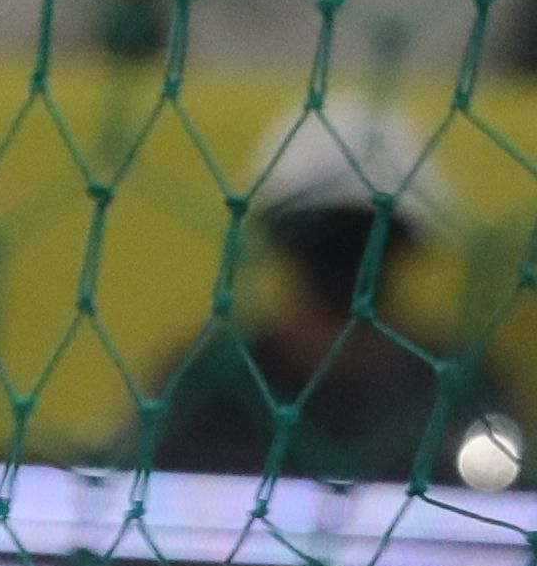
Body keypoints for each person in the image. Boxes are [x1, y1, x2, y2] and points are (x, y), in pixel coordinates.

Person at [142, 99, 492, 485]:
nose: (347, 258)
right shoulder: (208, 386)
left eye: (362, 235)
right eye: (329, 237)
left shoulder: (458, 394)